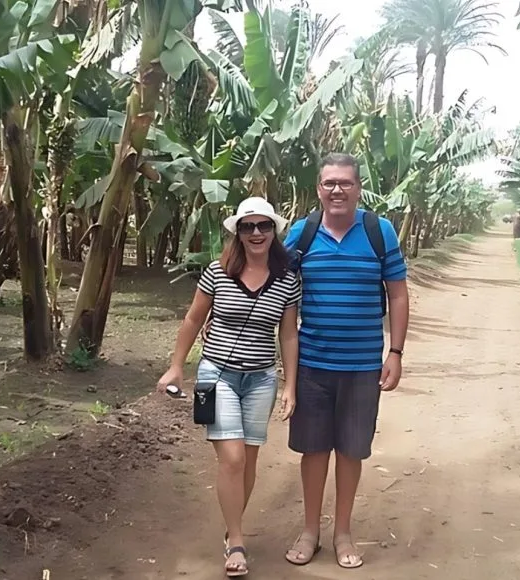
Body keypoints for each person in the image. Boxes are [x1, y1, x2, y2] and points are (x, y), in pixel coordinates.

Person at [156, 196, 302, 577]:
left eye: (263, 226)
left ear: (274, 231)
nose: (256, 233)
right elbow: (192, 320)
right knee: (232, 459)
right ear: (238, 233)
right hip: (214, 375)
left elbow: (288, 335)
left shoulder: (288, 278)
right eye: (248, 227)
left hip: (261, 379)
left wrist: (290, 385)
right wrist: (176, 367)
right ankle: (236, 542)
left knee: (248, 461)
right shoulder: (217, 272)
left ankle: (231, 527)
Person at [282, 153, 410, 569]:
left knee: (351, 451)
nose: (337, 190)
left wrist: (395, 352)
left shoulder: (379, 232)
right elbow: (278, 290)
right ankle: (309, 531)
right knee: (314, 451)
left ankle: (343, 533)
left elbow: (398, 294)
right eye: (329, 183)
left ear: (358, 188)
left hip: (362, 368)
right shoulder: (302, 234)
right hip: (313, 366)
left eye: (345, 183)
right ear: (318, 188)